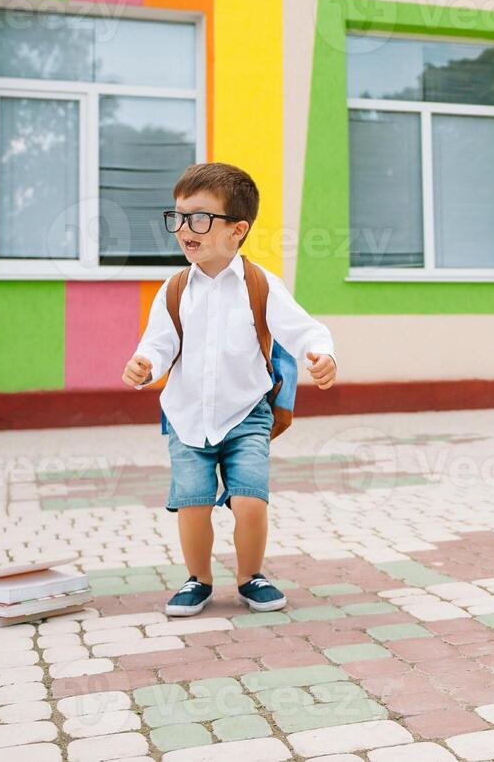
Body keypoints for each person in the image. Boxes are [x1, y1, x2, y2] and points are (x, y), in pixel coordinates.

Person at [122, 163, 336, 616]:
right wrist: (146, 363)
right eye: (177, 217)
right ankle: (197, 580)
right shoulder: (175, 288)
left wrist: (321, 353)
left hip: (247, 415)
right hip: (186, 417)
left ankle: (250, 576)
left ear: (237, 230)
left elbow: (304, 329)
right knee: (193, 505)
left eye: (199, 218)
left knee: (250, 500)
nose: (184, 229)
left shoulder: (260, 284)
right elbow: (159, 342)